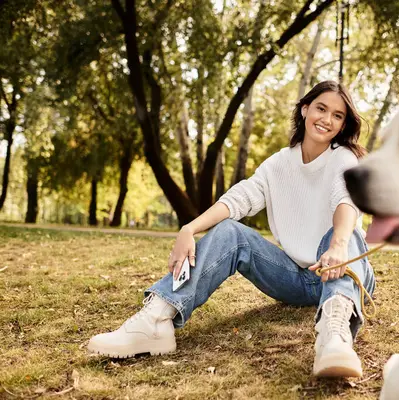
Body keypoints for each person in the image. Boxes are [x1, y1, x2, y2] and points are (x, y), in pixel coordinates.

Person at [87, 80, 375, 378]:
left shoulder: (343, 157)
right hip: (298, 278)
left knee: (345, 234)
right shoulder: (278, 164)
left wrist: (338, 244)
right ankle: (156, 319)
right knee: (230, 231)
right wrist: (189, 228)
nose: (327, 119)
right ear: (305, 110)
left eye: (338, 116)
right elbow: (239, 199)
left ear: (342, 125)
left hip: (344, 269)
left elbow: (345, 202)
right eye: (321, 109)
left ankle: (334, 337)